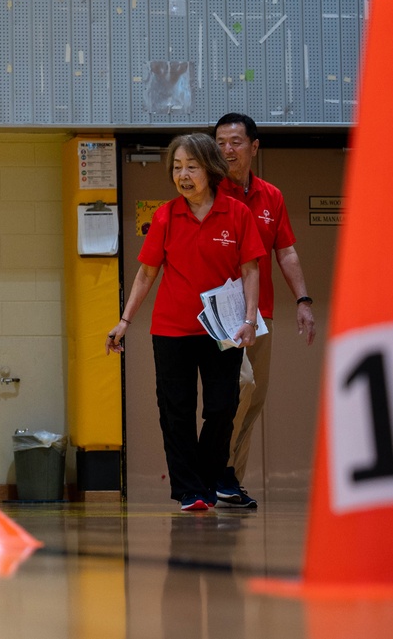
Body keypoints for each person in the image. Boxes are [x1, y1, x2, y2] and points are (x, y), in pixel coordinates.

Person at [105, 133, 265, 511]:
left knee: (222, 407)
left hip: (222, 330)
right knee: (175, 411)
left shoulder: (237, 213)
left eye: (192, 167)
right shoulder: (165, 215)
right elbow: (146, 274)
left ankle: (207, 478)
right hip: (171, 330)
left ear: (210, 169)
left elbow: (251, 270)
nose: (183, 175)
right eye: (177, 168)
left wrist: (249, 319)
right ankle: (190, 490)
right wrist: (125, 321)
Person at [213, 113, 316, 508]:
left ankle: (229, 481)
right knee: (241, 385)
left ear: (254, 147)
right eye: (220, 142)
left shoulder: (271, 196)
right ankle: (217, 471)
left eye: (236, 142)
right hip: (220, 314)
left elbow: (285, 252)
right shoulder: (209, 192)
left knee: (254, 399)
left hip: (261, 314)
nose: (227, 150)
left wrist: (303, 300)